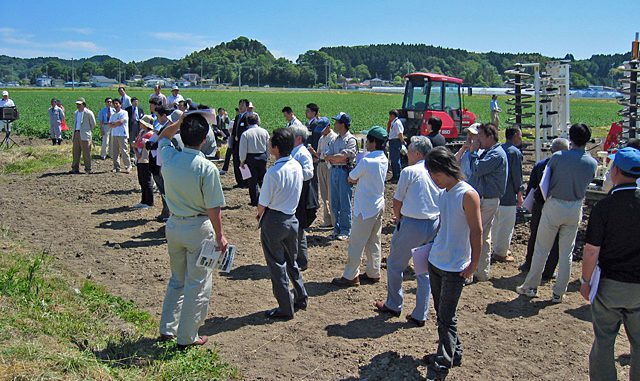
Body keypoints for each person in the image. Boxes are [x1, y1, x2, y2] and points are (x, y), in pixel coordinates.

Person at [157, 110, 228, 349]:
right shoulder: (207, 168)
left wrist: (178, 122)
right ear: (205, 138)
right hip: (199, 228)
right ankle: (187, 336)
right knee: (198, 283)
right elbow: (213, 208)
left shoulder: (169, 157)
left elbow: (163, 137)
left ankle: (168, 328)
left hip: (174, 224)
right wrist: (220, 236)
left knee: (177, 279)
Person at [517, 123, 598, 302]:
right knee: (566, 253)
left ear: (571, 138)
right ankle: (559, 292)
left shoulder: (558, 157)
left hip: (555, 205)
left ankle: (531, 286)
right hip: (575, 206)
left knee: (541, 249)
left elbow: (547, 181)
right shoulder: (592, 163)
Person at [580, 147, 640, 381]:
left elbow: (592, 250)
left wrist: (585, 281)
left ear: (615, 170)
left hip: (609, 285)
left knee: (604, 341)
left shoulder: (604, 207)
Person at [423, 147, 482, 381]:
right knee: (442, 313)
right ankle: (454, 353)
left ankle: (442, 362)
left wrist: (474, 263)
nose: (433, 180)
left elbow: (477, 231)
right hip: (437, 261)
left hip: (455, 266)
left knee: (446, 317)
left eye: (435, 175)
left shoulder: (467, 194)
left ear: (445, 170)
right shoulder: (445, 192)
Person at [374, 136, 441, 326]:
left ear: (417, 153)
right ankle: (421, 313)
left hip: (412, 223)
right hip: (433, 223)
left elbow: (397, 201)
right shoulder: (436, 171)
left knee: (395, 265)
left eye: (409, 151)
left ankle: (394, 304)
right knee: (423, 271)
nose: (407, 154)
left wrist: (399, 218)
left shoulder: (409, 171)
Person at [256, 128, 308, 320]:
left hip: (275, 220)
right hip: (292, 219)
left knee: (276, 265)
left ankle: (285, 307)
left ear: (276, 148)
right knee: (291, 261)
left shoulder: (273, 172)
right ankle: (301, 295)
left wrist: (259, 215)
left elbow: (262, 203)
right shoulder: (297, 166)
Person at [332, 126, 389, 287]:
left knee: (356, 242)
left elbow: (351, 178)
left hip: (364, 208)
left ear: (373, 142)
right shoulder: (384, 158)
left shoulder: (366, 161)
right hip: (378, 204)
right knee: (374, 241)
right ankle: (373, 272)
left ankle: (351, 275)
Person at [519, 138, 570, 277]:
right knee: (556, 239)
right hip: (560, 207)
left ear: (551, 150)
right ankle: (549, 270)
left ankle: (529, 264)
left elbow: (531, 188)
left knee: (535, 235)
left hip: (540, 205)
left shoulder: (541, 165)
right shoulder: (568, 168)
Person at [464, 123, 507, 282]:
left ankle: (471, 271)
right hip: (486, 199)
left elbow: (477, 169)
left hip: (486, 200)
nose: (478, 139)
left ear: (489, 137)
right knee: (484, 235)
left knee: (475, 234)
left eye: (480, 136)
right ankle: (481, 272)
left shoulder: (495, 154)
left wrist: (473, 152)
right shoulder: (490, 152)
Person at [490, 126, 524, 263]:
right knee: (506, 225)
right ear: (515, 135)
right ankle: (501, 253)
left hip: (494, 193)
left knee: (496, 224)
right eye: (520, 135)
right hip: (509, 194)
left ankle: (496, 248)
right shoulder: (515, 153)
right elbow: (517, 176)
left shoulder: (497, 150)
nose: (521, 138)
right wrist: (520, 193)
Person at [325, 112, 357, 240]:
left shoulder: (351, 140)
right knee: (334, 201)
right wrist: (335, 158)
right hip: (334, 170)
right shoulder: (335, 139)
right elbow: (329, 156)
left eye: (337, 122)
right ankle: (336, 228)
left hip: (344, 171)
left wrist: (334, 158)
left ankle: (345, 229)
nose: (335, 124)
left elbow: (343, 156)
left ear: (342, 124)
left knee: (345, 201)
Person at [290, 124, 318, 271]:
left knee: (299, 228)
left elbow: (309, 173)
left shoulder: (302, 153)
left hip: (302, 194)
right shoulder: (295, 151)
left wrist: (294, 174)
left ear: (298, 138)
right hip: (296, 192)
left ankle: (302, 260)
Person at [239, 113, 269, 206]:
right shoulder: (264, 132)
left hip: (251, 158)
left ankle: (255, 201)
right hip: (262, 156)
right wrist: (266, 156)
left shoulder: (246, 134)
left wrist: (242, 161)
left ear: (248, 122)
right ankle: (266, 199)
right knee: (263, 179)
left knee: (252, 181)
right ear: (257, 121)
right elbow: (268, 146)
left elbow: (243, 149)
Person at [312, 117, 337, 227]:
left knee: (331, 194)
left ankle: (334, 219)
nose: (321, 131)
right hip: (321, 164)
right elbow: (319, 154)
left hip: (330, 166)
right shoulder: (321, 138)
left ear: (328, 126)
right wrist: (313, 153)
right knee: (324, 194)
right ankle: (327, 220)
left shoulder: (334, 138)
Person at [132, 115, 156, 209]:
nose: (140, 124)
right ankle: (143, 200)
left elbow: (139, 144)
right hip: (140, 158)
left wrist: (135, 146)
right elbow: (136, 143)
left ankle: (149, 202)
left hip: (146, 160)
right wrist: (136, 150)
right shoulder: (141, 132)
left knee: (147, 181)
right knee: (141, 181)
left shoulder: (150, 134)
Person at [70, 97, 96, 174]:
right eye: (77, 104)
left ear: (84, 104)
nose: (78, 106)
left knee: (86, 152)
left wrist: (87, 131)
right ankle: (75, 168)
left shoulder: (89, 113)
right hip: (76, 133)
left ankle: (88, 168)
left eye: (79, 104)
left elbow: (93, 124)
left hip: (85, 135)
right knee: (75, 152)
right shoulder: (76, 113)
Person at [107, 98, 131, 173]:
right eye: (114, 104)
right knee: (115, 152)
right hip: (114, 134)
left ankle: (128, 166)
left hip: (122, 134)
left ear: (120, 104)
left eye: (117, 103)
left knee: (124, 151)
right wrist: (114, 124)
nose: (116, 105)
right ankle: (116, 167)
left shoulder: (124, 112)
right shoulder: (113, 115)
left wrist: (114, 124)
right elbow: (110, 124)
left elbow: (121, 122)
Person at [230, 99, 250, 187]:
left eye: (243, 105)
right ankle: (239, 181)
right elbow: (234, 130)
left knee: (243, 162)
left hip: (243, 144)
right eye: (240, 104)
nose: (241, 106)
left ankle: (245, 182)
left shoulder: (248, 117)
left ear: (247, 106)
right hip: (236, 144)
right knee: (236, 162)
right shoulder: (238, 117)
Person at [388, 109, 404, 183]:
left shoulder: (397, 123)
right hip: (393, 141)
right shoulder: (393, 122)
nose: (389, 117)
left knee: (395, 159)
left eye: (390, 116)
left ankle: (397, 176)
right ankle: (394, 175)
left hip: (395, 142)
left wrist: (402, 142)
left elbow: (400, 134)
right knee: (393, 159)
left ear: (393, 115)